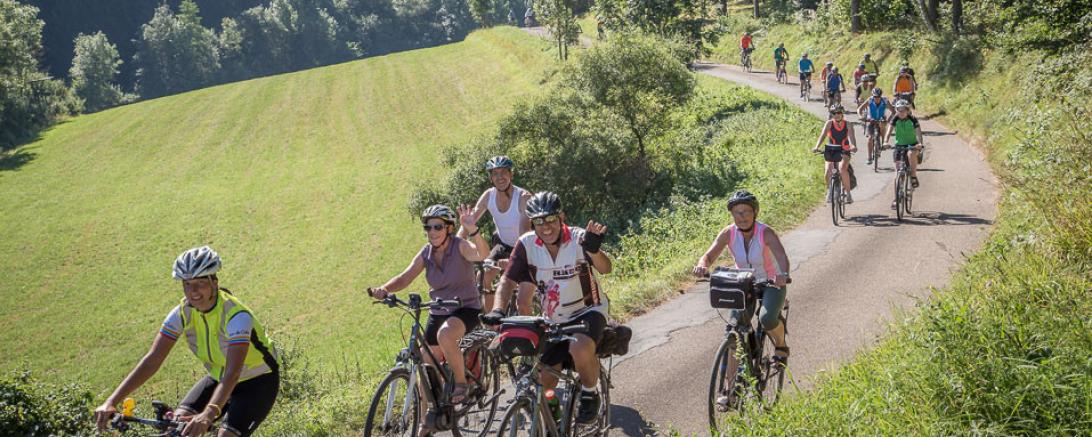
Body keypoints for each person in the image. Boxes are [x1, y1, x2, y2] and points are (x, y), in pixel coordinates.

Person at [93, 246, 280, 437]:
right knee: (175, 430)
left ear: (214, 282)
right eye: (187, 284)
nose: (193, 292)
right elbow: (153, 360)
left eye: (200, 282)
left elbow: (233, 372)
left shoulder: (236, 315)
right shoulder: (182, 312)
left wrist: (208, 413)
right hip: (218, 378)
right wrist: (112, 401)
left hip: (257, 382)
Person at [481, 192, 612, 424]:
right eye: (539, 221)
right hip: (554, 318)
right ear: (532, 222)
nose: (546, 226)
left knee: (580, 348)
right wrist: (499, 309)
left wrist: (593, 251)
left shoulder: (580, 238)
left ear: (561, 217)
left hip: (588, 311)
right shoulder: (527, 244)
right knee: (544, 383)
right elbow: (508, 281)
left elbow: (605, 268)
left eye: (551, 219)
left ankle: (591, 394)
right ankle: (555, 419)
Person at [369, 204, 489, 418]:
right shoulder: (426, 252)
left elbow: (482, 254)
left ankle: (461, 383)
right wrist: (384, 289)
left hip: (465, 308)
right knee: (426, 365)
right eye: (428, 227)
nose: (432, 232)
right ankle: (427, 419)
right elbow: (405, 277)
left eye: (437, 227)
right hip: (439, 308)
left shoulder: (460, 246)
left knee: (445, 335)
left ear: (449, 228)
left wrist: (473, 229)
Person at [692, 190, 791, 410]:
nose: (742, 217)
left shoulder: (766, 233)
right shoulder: (729, 233)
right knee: (734, 333)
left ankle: (781, 347)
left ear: (754, 212)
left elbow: (782, 256)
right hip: (743, 284)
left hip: (771, 282)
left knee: (766, 319)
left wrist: (782, 275)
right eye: (737, 213)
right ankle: (729, 389)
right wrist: (702, 265)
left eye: (746, 211)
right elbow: (708, 255)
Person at [460, 155, 533, 313]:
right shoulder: (489, 195)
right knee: (483, 276)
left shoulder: (523, 197)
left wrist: (514, 260)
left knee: (521, 292)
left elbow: (525, 233)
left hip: (524, 247)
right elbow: (469, 222)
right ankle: (492, 324)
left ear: (511, 175)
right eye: (495, 174)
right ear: (491, 178)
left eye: (503, 172)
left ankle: (525, 328)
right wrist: (455, 246)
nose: (500, 177)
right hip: (503, 244)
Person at [812, 104, 859, 203]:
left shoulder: (848, 124)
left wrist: (853, 146)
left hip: (844, 150)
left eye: (838, 113)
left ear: (842, 113)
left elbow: (852, 138)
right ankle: (830, 191)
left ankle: (848, 194)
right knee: (828, 170)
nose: (836, 115)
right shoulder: (829, 123)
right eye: (834, 113)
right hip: (831, 150)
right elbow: (822, 135)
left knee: (842, 169)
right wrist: (817, 146)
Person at [884, 100, 925, 207]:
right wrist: (885, 141)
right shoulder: (895, 118)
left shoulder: (913, 119)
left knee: (911, 154)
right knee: (897, 173)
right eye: (898, 110)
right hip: (899, 146)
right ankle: (896, 198)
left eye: (903, 110)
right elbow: (888, 131)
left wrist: (920, 143)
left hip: (912, 145)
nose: (901, 112)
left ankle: (913, 175)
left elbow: (918, 133)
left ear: (907, 110)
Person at [856, 88, 892, 164]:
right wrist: (860, 116)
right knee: (870, 138)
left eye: (878, 96)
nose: (876, 98)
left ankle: (883, 143)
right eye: (875, 96)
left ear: (881, 96)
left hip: (881, 119)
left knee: (882, 126)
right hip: (871, 119)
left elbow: (894, 111)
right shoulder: (870, 100)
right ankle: (869, 157)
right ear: (872, 96)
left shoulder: (885, 101)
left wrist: (888, 120)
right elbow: (859, 109)